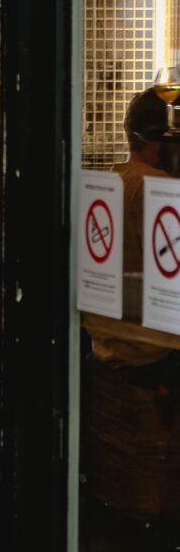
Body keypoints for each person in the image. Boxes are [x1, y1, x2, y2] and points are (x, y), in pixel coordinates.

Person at [88, 86, 179, 382]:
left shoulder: (113, 180)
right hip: (157, 351)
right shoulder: (157, 188)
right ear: (166, 141)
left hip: (110, 347)